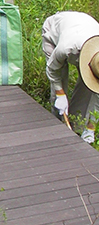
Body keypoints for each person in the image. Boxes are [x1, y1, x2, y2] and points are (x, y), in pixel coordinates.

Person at [42, 11, 99, 144]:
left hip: (83, 27)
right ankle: (57, 125)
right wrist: (60, 93)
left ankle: (76, 127)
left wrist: (91, 128)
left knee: (88, 87)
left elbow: (97, 98)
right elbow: (52, 69)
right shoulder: (67, 47)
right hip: (55, 30)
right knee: (60, 80)